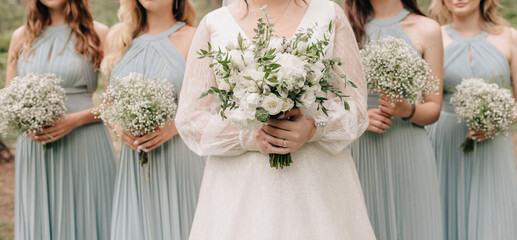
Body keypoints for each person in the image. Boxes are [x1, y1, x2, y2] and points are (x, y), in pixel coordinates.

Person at [175, 0, 376, 239]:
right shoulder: (214, 24)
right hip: (240, 191)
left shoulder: (329, 15)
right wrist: (248, 135)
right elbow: (190, 119)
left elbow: (356, 108)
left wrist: (314, 129)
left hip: (318, 187)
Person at [6, 0, 116, 239]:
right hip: (35, 148)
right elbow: (10, 97)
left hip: (85, 143)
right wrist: (27, 120)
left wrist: (74, 120)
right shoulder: (21, 36)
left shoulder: (98, 32)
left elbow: (114, 101)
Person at [428, 0, 517, 239]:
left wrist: (498, 120)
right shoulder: (434, 36)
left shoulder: (509, 37)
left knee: (492, 219)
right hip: (444, 142)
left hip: (493, 144)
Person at [100, 0, 205, 239]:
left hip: (180, 159)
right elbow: (108, 102)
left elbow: (211, 103)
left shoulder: (195, 37)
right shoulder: (119, 39)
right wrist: (120, 127)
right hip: (133, 164)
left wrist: (175, 126)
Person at [345, 0, 444, 239]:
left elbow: (433, 107)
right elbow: (330, 97)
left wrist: (407, 109)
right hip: (359, 148)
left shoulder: (427, 29)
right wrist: (360, 118)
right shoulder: (345, 26)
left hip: (408, 145)